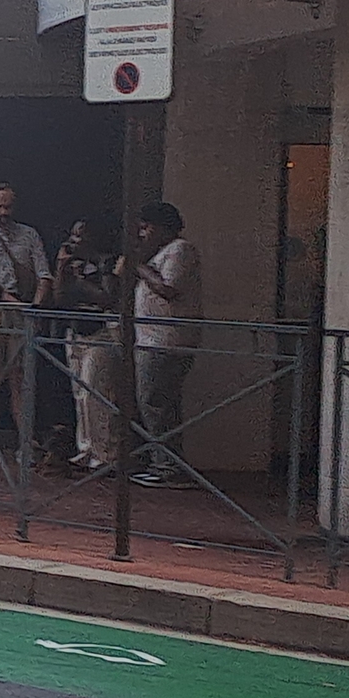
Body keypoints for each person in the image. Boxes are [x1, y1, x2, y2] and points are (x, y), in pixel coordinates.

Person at [0, 182, 52, 468]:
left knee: (20, 378)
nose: (3, 212)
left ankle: (24, 444)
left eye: (8, 206)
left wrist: (34, 308)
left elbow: (43, 274)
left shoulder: (29, 235)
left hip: (22, 313)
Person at [130, 201, 202, 489]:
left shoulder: (179, 250)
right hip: (152, 339)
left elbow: (168, 288)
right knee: (156, 402)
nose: (143, 233)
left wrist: (139, 267)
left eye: (147, 228)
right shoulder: (164, 252)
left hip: (166, 341)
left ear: (163, 228)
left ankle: (169, 466)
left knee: (156, 402)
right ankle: (162, 462)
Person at [52, 219, 125, 475]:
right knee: (80, 394)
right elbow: (59, 299)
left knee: (98, 393)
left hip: (102, 334)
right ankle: (86, 449)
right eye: (72, 235)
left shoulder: (110, 262)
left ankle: (106, 454)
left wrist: (81, 282)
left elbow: (108, 298)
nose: (74, 240)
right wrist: (61, 270)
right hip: (76, 332)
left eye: (80, 236)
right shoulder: (74, 264)